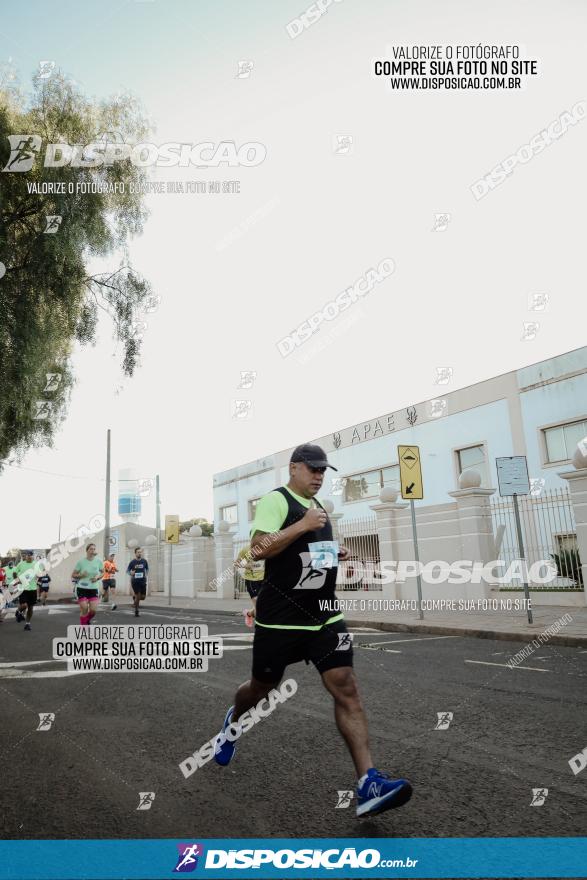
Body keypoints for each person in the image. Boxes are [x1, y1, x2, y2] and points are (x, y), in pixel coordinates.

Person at [213, 443, 413, 818]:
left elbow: (307, 554)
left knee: (346, 685)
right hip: (280, 620)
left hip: (323, 617)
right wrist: (302, 525)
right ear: (294, 469)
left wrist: (333, 553)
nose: (319, 475)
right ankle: (233, 722)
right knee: (261, 689)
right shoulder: (278, 501)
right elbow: (257, 549)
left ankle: (368, 783)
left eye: (323, 470)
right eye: (313, 469)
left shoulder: (320, 510)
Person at [72, 543, 103, 626]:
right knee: (84, 608)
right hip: (82, 588)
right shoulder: (81, 562)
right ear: (87, 550)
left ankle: (85, 620)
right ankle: (84, 628)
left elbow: (103, 572)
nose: (92, 550)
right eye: (91, 549)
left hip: (93, 588)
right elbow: (73, 575)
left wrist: (97, 578)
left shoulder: (98, 561)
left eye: (94, 549)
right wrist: (81, 575)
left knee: (93, 611)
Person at [234, 544, 265, 627]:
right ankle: (260, 627)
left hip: (264, 579)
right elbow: (237, 563)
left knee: (264, 605)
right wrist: (246, 565)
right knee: (259, 605)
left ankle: (248, 614)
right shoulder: (246, 549)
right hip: (251, 580)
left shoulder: (267, 547)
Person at [14, 550, 38, 631]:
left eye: (31, 555)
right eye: (28, 555)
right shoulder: (21, 564)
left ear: (33, 556)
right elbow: (15, 572)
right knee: (24, 605)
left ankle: (27, 624)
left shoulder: (35, 564)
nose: (29, 557)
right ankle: (18, 611)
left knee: (30, 608)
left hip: (33, 589)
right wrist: (17, 580)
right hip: (23, 588)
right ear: (26, 556)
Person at [126, 548, 148, 617]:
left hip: (143, 581)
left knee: (143, 597)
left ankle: (134, 598)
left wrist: (146, 574)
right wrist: (130, 573)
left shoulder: (144, 561)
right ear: (135, 553)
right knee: (138, 596)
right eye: (138, 552)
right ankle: (136, 611)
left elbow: (147, 568)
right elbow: (127, 570)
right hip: (135, 581)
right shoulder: (132, 562)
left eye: (140, 552)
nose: (139, 553)